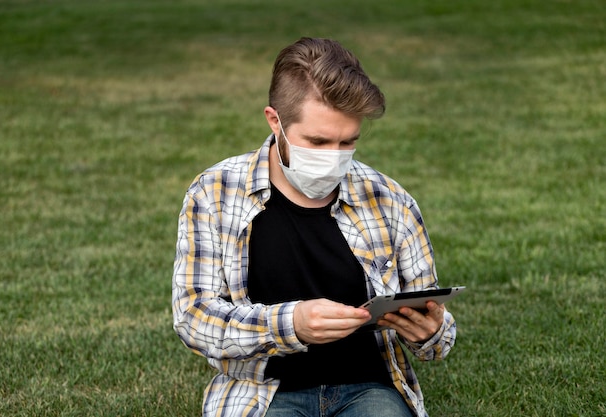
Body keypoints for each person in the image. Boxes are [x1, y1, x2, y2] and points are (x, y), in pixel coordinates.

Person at [172, 37, 456, 417]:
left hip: (368, 388)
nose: (334, 158)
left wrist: (432, 332)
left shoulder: (389, 199)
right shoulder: (214, 193)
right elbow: (193, 318)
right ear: (275, 121)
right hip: (261, 392)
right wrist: (291, 324)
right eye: (317, 142)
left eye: (348, 142)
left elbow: (435, 332)